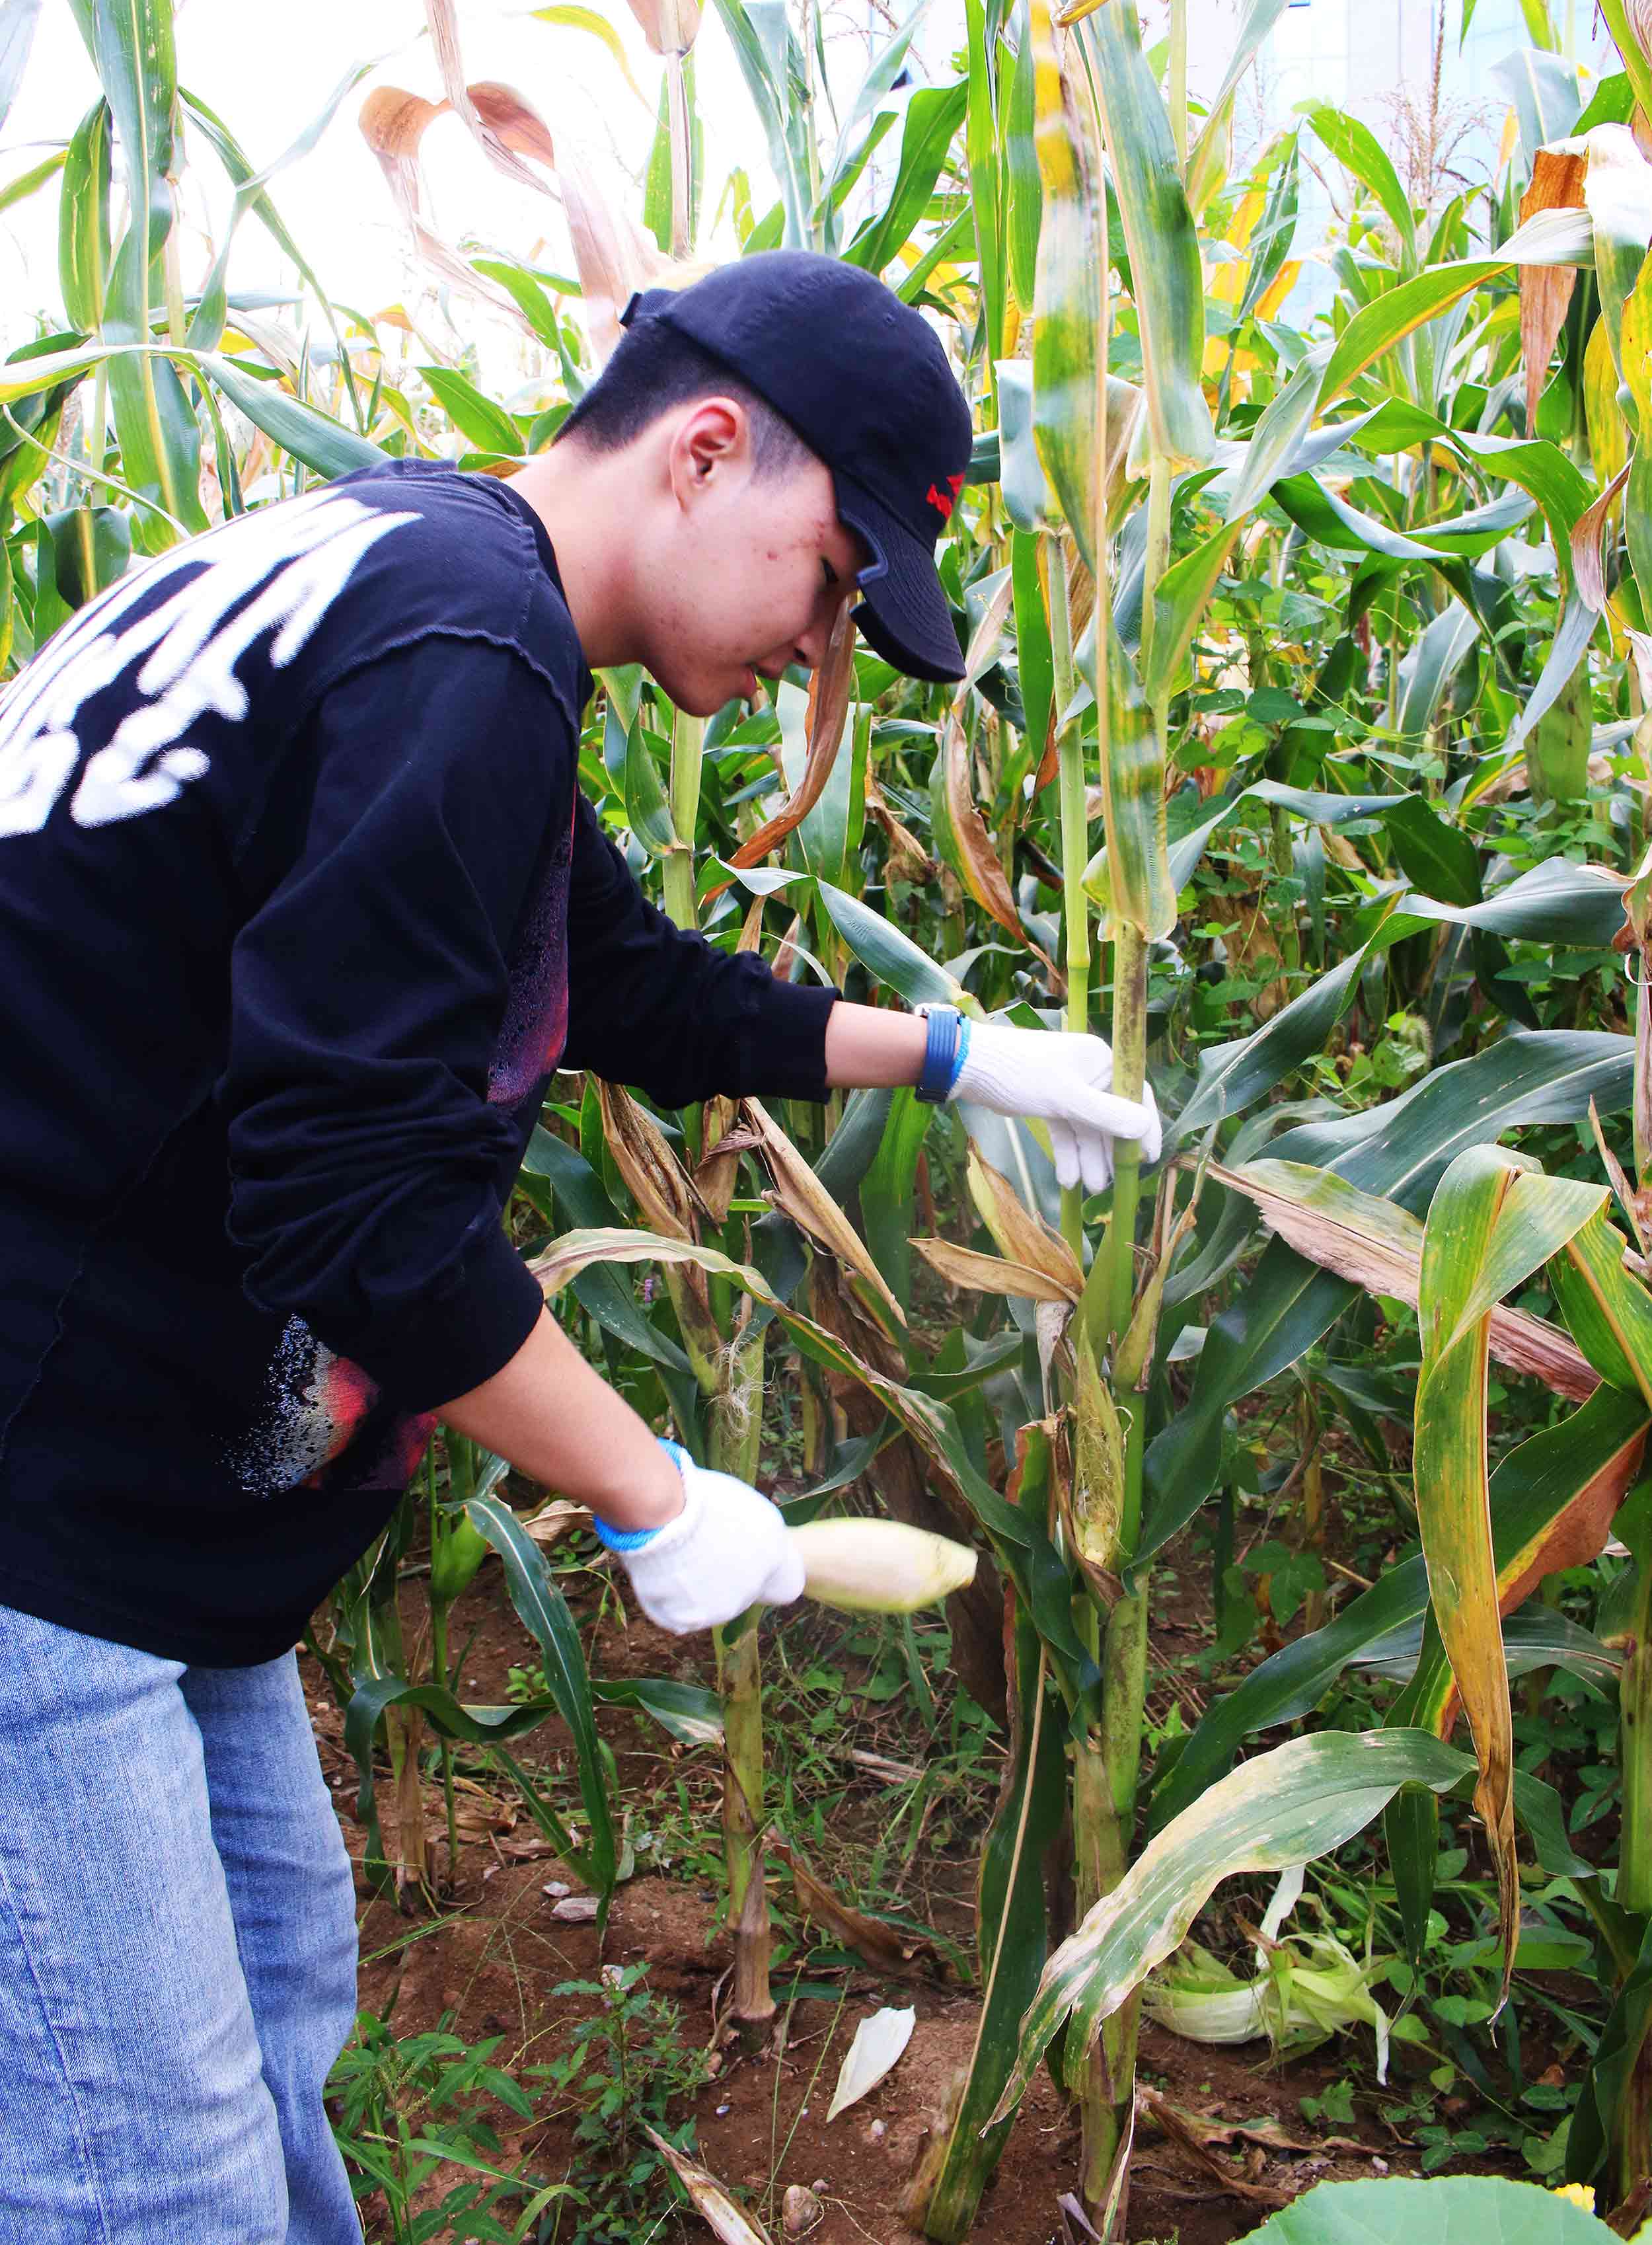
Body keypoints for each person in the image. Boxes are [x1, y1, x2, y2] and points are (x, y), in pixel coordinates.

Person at [0, 249, 1160, 2242]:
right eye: (833, 580)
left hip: (137, 1500)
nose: (821, 650)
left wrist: (952, 1053)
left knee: (276, 2018)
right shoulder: (467, 648)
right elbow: (353, 1200)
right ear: (706, 451)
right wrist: (653, 1496)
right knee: (147, 2182)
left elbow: (614, 977)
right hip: (41, 1509)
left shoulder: (399, 571)